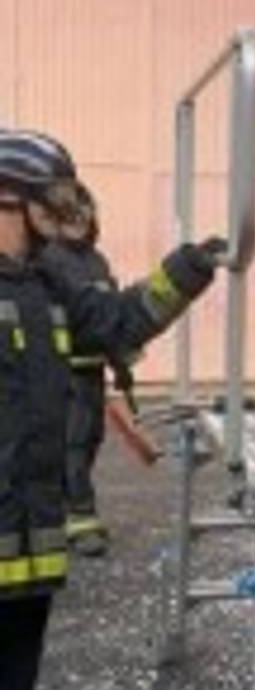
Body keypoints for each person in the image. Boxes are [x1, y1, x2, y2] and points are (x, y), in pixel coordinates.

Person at [0, 129, 224, 690]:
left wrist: (187, 270)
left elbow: (116, 321)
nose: (67, 210)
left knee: (13, 689)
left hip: (30, 551)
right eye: (55, 196)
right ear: (9, 198)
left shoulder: (50, 280)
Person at [37, 180, 128, 557]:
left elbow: (107, 316)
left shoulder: (96, 260)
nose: (79, 218)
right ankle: (81, 520)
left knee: (88, 442)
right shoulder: (47, 259)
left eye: (83, 210)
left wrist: (121, 363)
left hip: (92, 371)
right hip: (62, 372)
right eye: (70, 212)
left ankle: (61, 510)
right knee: (72, 444)